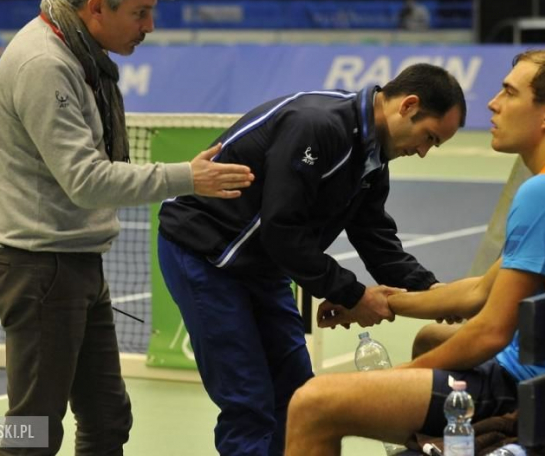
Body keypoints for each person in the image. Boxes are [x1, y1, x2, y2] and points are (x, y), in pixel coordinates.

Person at [285, 43, 545, 455]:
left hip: (530, 398)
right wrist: (380, 301)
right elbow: (478, 292)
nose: (493, 103)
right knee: (430, 337)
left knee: (312, 404)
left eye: (509, 92)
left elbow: (490, 332)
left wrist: (399, 376)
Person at [0, 0, 254, 455]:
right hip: (40, 268)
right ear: (96, 8)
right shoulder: (45, 63)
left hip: (73, 261)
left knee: (108, 419)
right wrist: (189, 178)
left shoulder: (80, 55)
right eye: (140, 13)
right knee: (34, 432)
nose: (149, 26)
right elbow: (86, 181)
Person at [158, 65, 467, 455]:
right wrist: (353, 294)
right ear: (408, 106)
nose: (422, 152)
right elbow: (282, 231)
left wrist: (434, 292)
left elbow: (376, 239)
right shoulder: (318, 126)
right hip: (206, 256)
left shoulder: (373, 157)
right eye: (429, 138)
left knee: (298, 393)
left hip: (262, 266)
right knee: (248, 402)